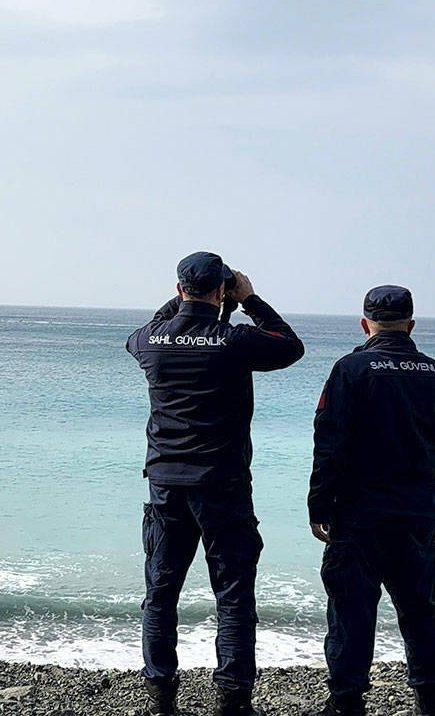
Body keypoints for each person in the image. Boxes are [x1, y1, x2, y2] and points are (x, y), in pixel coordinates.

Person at [126, 252, 305, 716]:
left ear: (179, 287)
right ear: (222, 290)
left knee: (161, 595)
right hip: (222, 485)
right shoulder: (234, 340)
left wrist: (188, 301)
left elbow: (150, 329)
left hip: (166, 485)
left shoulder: (151, 342)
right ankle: (232, 700)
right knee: (232, 596)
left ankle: (161, 698)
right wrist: (248, 300)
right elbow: (289, 345)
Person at [307, 285, 435, 716]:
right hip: (417, 515)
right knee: (420, 612)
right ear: (411, 325)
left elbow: (329, 444)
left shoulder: (351, 370)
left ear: (365, 324)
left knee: (351, 613)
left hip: (359, 517)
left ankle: (346, 703)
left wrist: (319, 505)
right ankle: (430, 700)